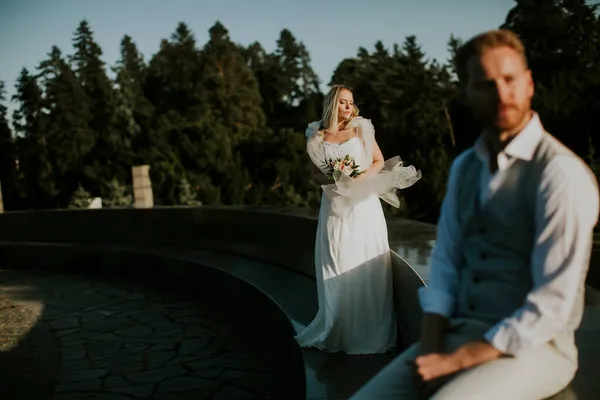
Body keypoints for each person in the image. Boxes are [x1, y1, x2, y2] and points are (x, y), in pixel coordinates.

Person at [351, 29, 599, 399]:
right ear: (466, 94)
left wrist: (456, 361)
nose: (501, 94)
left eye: (510, 79)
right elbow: (447, 262)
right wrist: (432, 348)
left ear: (529, 83)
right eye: (485, 84)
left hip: (535, 348)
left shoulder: (559, 173)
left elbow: (553, 305)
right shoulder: (467, 166)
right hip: (457, 335)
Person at [296, 84, 421, 354]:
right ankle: (337, 328)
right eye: (343, 102)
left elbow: (378, 161)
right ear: (332, 103)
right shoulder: (317, 135)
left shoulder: (362, 129)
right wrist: (335, 178)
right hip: (333, 206)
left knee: (363, 260)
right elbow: (313, 175)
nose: (348, 107)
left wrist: (356, 179)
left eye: (351, 102)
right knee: (336, 261)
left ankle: (367, 331)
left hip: (363, 205)